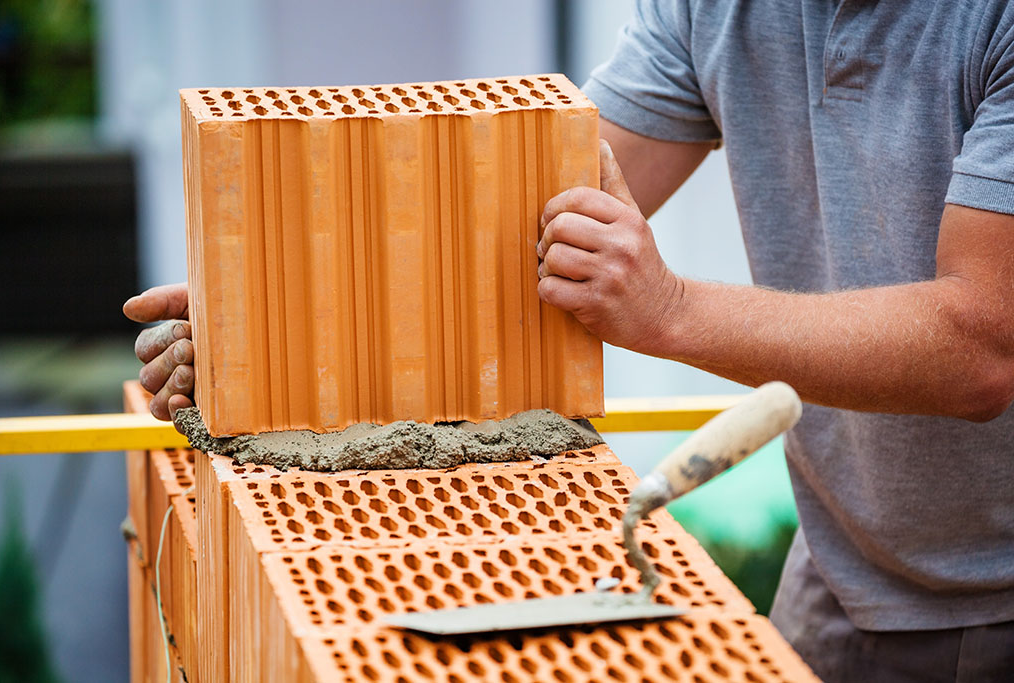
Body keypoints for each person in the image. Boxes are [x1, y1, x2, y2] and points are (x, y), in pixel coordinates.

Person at [127, 1, 1014, 679]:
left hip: (991, 587)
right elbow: (521, 210)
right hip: (843, 560)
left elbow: (981, 345)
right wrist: (269, 320)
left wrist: (670, 312)